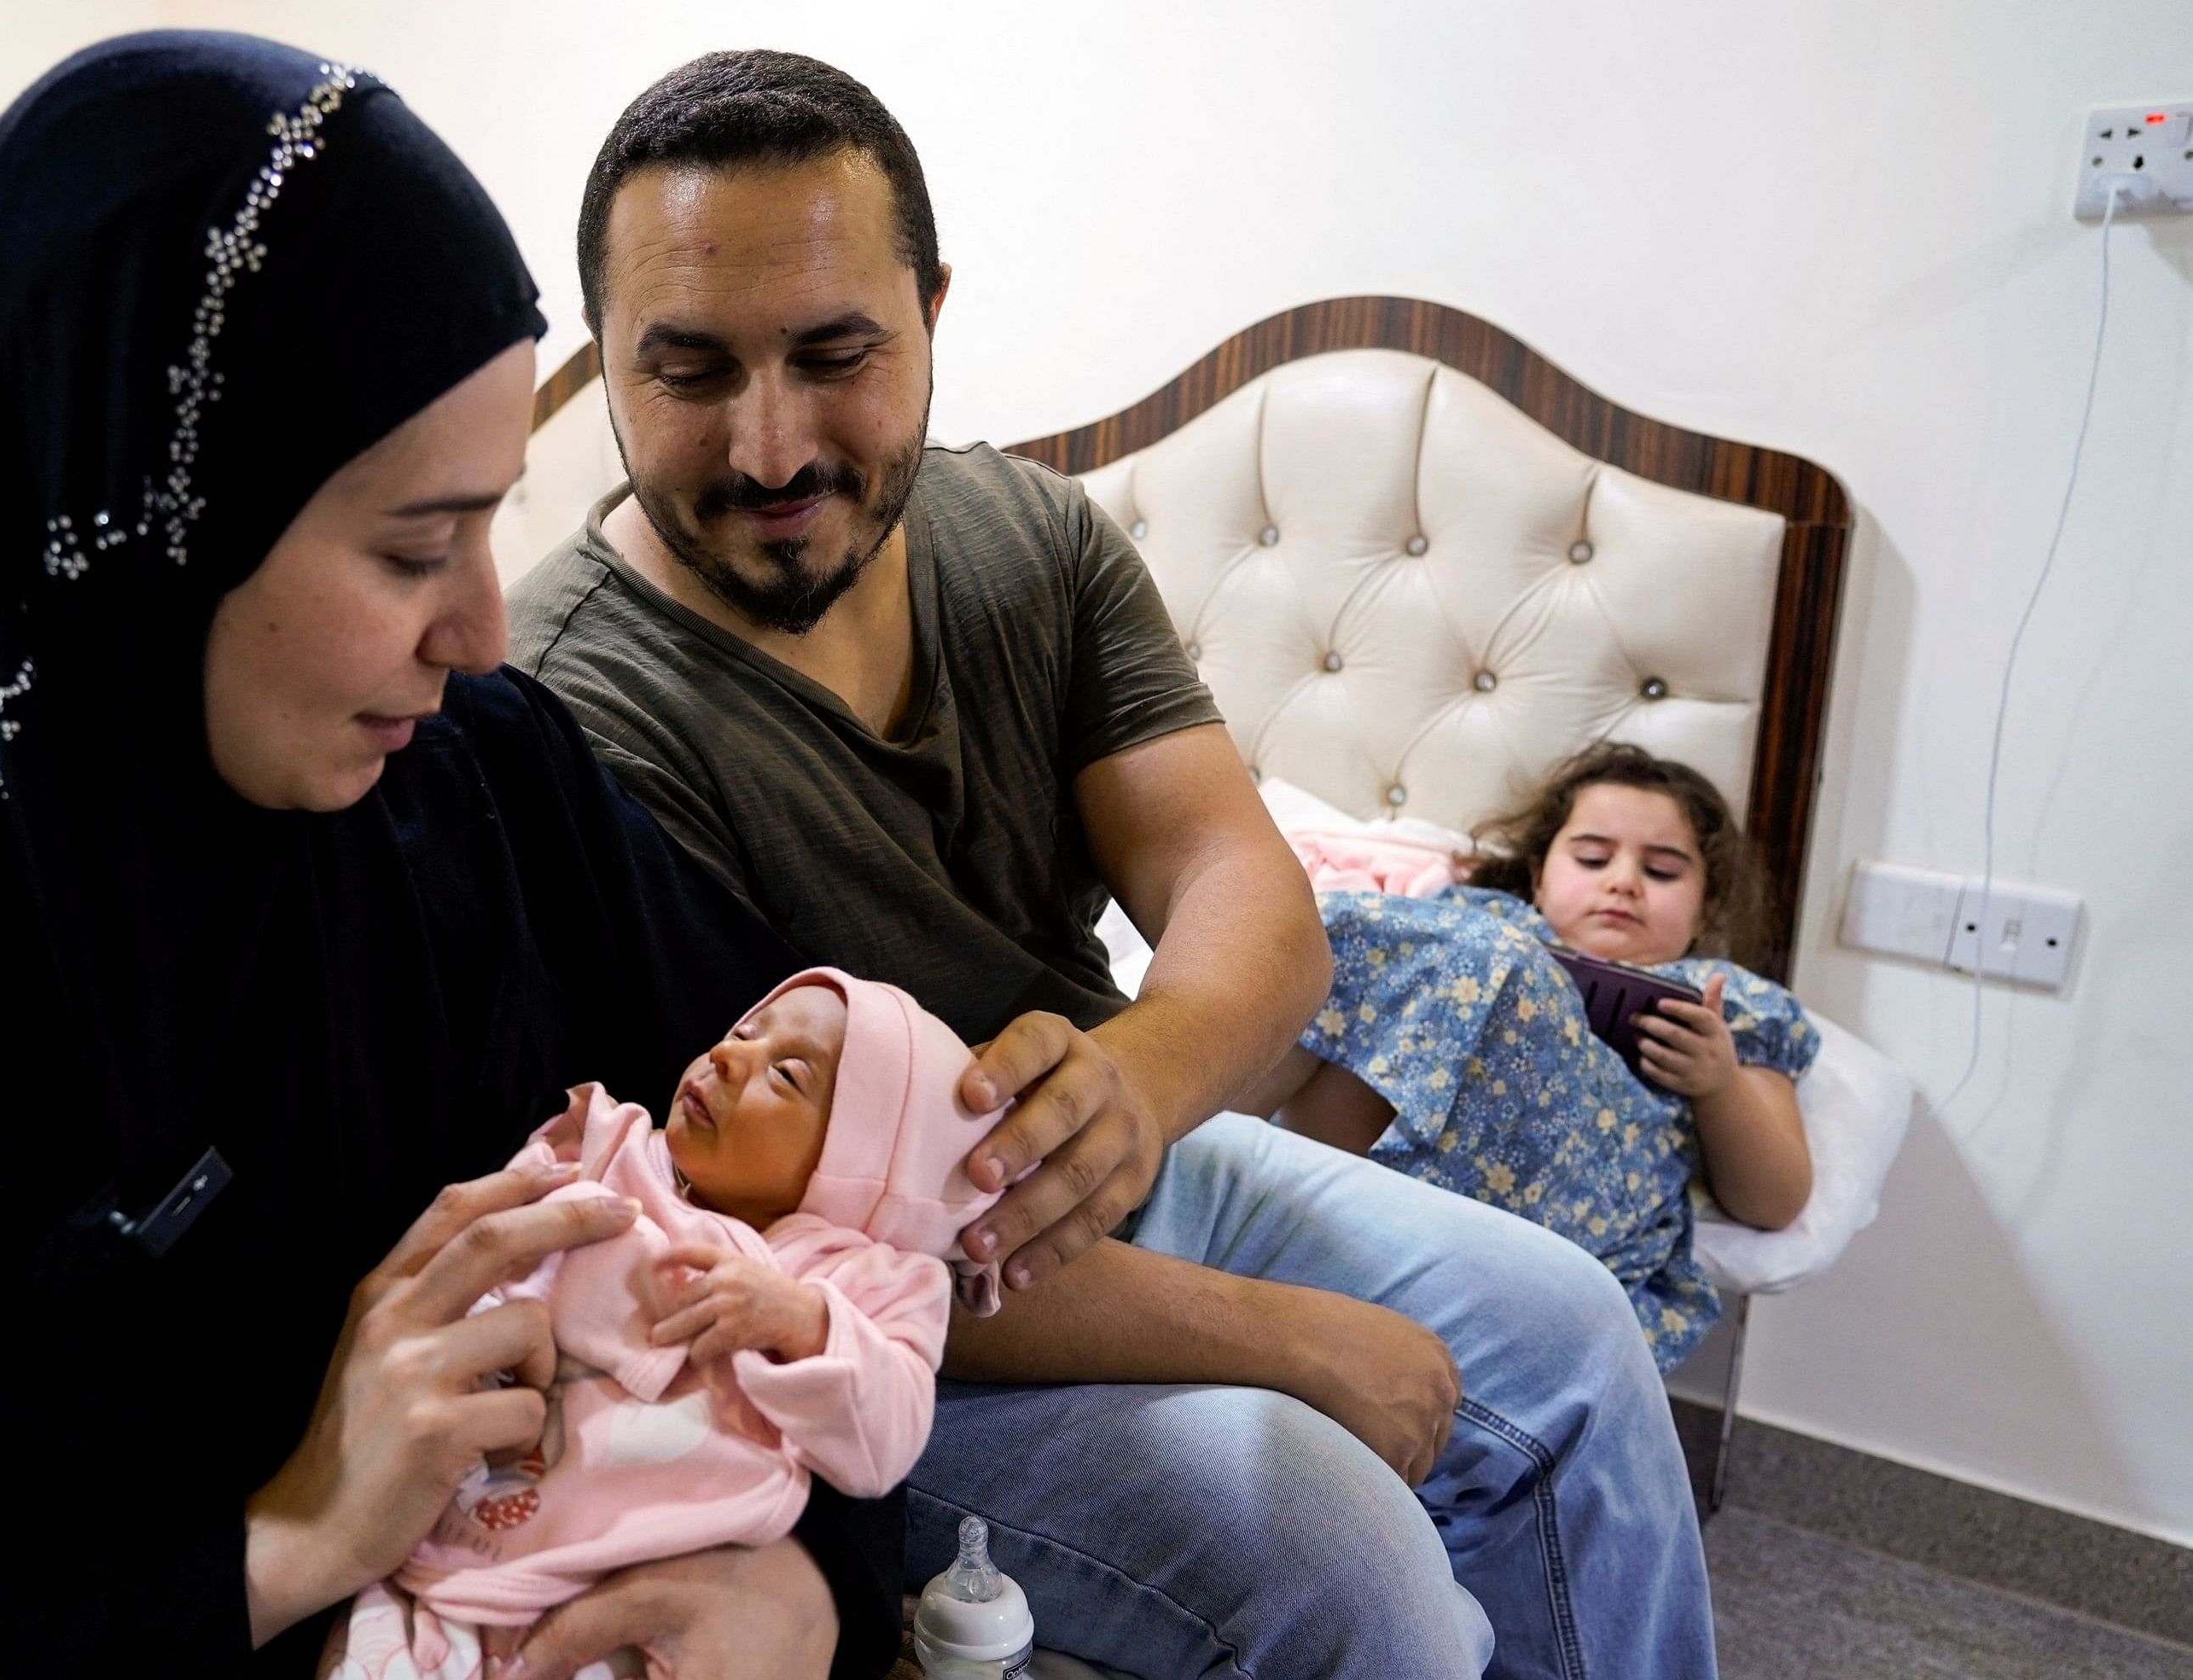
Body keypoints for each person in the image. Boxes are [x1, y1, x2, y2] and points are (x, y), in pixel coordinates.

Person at [0, 36, 902, 1680]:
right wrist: (279, 1542)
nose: (481, 626)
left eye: (491, 523)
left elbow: (831, 1212)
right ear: (140, 532)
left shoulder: (490, 795)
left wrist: (813, 1585)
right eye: (412, 545)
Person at [510, 49, 1716, 1680]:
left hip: (1134, 1175)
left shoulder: (1031, 542)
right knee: (1338, 1554)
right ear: (609, 364)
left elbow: (1253, 907)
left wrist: (1135, 1081)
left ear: (933, 311)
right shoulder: (569, 722)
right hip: (858, 1325)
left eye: (835, 352)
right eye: (692, 371)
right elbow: (757, 1234)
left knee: (1576, 1330)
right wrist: (1286, 1340)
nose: (773, 443)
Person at [332, 968, 1004, 1680]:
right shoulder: (611, 1148)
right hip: (458, 1529)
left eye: (786, 1074)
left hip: (638, 1576)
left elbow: (885, 1441)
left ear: (868, 1171)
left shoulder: (861, 1278)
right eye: (743, 1031)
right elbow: (495, 1239)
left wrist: (801, 1320)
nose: (725, 1055)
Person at [1249, 743, 1821, 1370]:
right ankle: (1184, 1147)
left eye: (1661, 871)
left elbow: (1778, 1198)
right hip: (1378, 1160)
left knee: (1502, 964)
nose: (1623, 881)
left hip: (1570, 1198)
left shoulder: (1729, 1001)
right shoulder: (1479, 922)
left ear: (1708, 906)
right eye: (1593, 857)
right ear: (1540, 874)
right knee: (1330, 940)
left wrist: (1719, 1084)